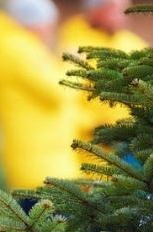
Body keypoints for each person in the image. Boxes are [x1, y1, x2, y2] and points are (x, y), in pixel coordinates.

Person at [0, 0, 82, 192]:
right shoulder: (17, 49)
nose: (50, 31)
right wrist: (74, 64)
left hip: (42, 163)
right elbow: (59, 90)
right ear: (35, 23)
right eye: (49, 24)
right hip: (40, 167)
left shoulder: (13, 46)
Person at [59, 0, 147, 144]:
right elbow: (63, 97)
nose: (122, 15)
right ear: (94, 11)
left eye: (125, 8)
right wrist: (94, 127)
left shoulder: (133, 44)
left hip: (137, 140)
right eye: (114, 9)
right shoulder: (73, 46)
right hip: (92, 147)